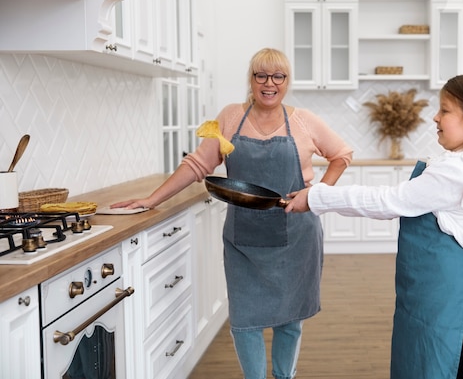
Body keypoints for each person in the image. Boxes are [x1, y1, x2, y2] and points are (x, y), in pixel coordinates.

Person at [111, 48, 353, 379]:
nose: (270, 83)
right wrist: (152, 199)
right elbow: (198, 164)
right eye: (261, 75)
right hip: (244, 238)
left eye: (278, 76)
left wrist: (317, 192)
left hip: (295, 235)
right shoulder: (230, 117)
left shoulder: (302, 120)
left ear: (287, 81)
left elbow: (342, 154)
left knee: (289, 321)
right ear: (251, 80)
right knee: (244, 322)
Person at [285, 71, 463, 379]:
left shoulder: (457, 171)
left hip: (450, 297)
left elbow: (388, 201)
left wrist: (316, 196)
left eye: (445, 111)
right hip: (455, 293)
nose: (435, 117)